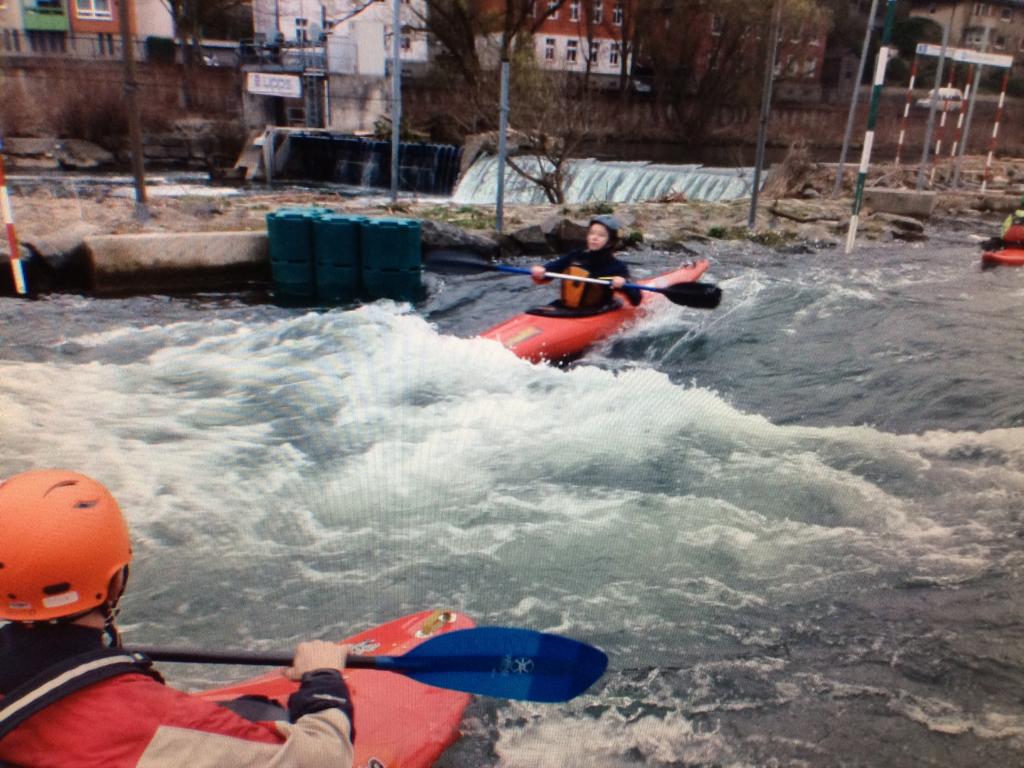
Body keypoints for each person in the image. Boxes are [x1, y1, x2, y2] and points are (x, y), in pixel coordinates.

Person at [0, 469, 354, 768]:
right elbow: (324, 758)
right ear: (115, 581)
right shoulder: (148, 720)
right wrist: (323, 681)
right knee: (265, 716)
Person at [530, 215, 642, 310]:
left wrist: (623, 284)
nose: (594, 238)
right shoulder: (576, 256)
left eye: (601, 235)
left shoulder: (616, 267)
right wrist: (541, 272)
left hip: (595, 311)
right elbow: (550, 271)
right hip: (565, 307)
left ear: (610, 242)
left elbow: (636, 299)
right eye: (592, 233)